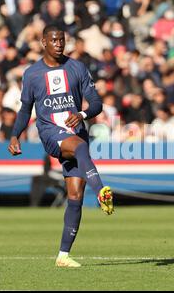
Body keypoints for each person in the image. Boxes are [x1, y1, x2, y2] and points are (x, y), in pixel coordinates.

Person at [7, 24, 114, 268]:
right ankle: (101, 191)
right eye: (54, 40)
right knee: (79, 147)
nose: (59, 44)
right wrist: (15, 135)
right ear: (43, 42)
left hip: (76, 130)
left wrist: (83, 114)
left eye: (62, 40)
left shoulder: (76, 67)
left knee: (75, 196)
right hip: (50, 132)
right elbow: (25, 108)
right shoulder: (32, 74)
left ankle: (63, 256)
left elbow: (97, 103)